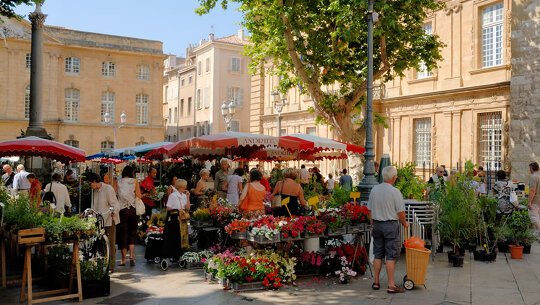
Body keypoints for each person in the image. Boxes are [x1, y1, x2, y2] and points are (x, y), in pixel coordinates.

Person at [367, 165, 409, 294]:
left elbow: (369, 210)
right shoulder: (395, 192)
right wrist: (405, 223)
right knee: (390, 255)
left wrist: (372, 222)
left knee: (378, 254)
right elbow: (401, 212)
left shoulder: (374, 190)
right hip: (390, 225)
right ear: (394, 177)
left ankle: (376, 282)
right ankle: (391, 285)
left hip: (377, 225)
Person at [87, 172, 120, 272]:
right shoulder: (95, 191)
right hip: (99, 222)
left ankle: (111, 266)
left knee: (109, 243)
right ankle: (102, 264)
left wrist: (113, 211)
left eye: (89, 183)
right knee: (100, 243)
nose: (90, 186)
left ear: (94, 181)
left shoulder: (108, 189)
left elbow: (115, 204)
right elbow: (94, 207)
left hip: (109, 220)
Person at [116, 166, 141, 267]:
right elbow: (138, 195)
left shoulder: (118, 182)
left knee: (123, 233)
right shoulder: (135, 182)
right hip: (133, 209)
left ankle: (123, 260)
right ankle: (131, 256)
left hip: (122, 210)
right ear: (131, 173)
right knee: (132, 232)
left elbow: (115, 194)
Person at [163, 179, 191, 258]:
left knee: (183, 235)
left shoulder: (184, 195)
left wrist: (188, 197)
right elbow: (168, 208)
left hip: (183, 217)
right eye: (185, 185)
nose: (186, 186)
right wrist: (176, 209)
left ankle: (181, 252)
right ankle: (175, 254)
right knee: (176, 235)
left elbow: (187, 208)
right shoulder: (173, 195)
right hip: (175, 217)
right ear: (182, 186)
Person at [527, 162, 540, 236]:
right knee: (538, 218)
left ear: (532, 168)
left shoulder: (533, 177)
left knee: (534, 218)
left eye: (529, 168)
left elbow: (532, 190)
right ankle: (536, 234)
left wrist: (529, 202)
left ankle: (538, 232)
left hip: (535, 200)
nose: (529, 170)